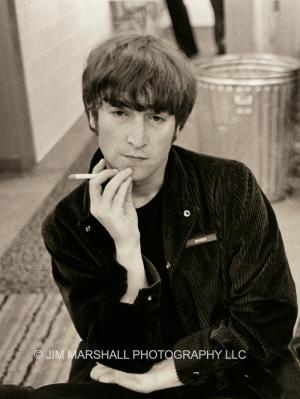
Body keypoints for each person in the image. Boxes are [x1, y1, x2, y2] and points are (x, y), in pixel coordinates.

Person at [2, 33, 299, 399]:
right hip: (127, 375)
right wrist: (128, 251)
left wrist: (172, 371)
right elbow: (115, 351)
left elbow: (268, 319)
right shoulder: (68, 224)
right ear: (93, 115)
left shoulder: (230, 184)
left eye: (156, 117)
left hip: (233, 372)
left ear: (178, 126)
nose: (137, 138)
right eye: (120, 112)